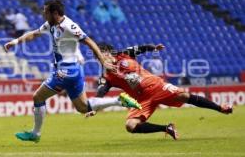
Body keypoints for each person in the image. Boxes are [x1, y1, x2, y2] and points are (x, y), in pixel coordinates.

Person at [3, 0, 141, 142]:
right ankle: (119, 100)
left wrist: (102, 61)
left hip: (66, 71)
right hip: (74, 71)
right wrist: (16, 41)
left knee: (38, 97)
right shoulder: (51, 24)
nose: (43, 14)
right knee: (83, 107)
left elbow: (89, 41)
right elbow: (35, 33)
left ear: (55, 13)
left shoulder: (69, 26)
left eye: (46, 11)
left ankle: (35, 134)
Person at [86, 43, 233, 140]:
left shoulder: (124, 54)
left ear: (107, 52)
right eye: (96, 57)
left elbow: (142, 48)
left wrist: (153, 48)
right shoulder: (106, 77)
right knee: (130, 126)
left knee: (184, 96)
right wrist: (94, 108)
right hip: (141, 100)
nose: (99, 59)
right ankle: (166, 128)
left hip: (157, 86)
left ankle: (221, 108)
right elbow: (100, 92)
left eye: (99, 55)